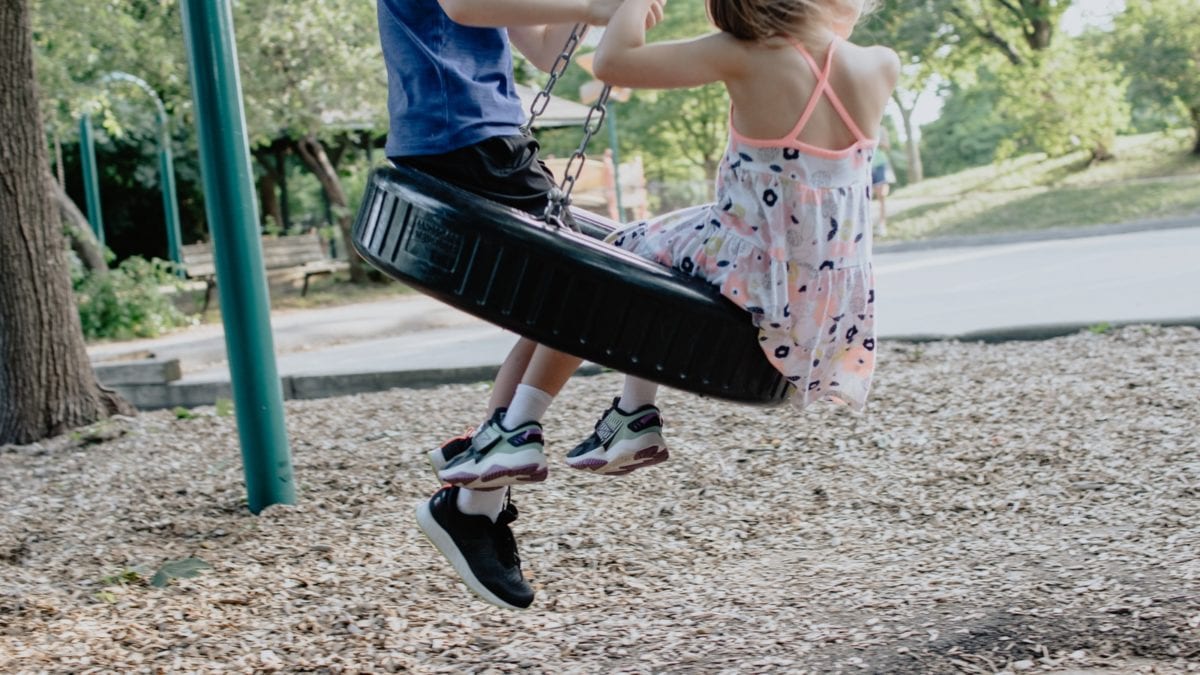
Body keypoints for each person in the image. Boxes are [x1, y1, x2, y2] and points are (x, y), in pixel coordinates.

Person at [429, 0, 900, 608]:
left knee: (612, 264)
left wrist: (627, 5)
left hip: (750, 264)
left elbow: (613, 63)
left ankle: (518, 422)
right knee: (663, 261)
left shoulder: (744, 54)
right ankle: (631, 414)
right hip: (822, 300)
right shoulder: (879, 64)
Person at [379, 0, 665, 611]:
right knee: (600, 279)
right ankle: (479, 489)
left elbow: (541, 45)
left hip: (481, 139)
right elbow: (466, 5)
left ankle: (479, 492)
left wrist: (620, 16)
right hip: (463, 139)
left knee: (562, 298)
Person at [871, 126, 896, 236]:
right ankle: (868, 225)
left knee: (882, 196)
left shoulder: (881, 129)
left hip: (880, 164)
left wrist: (875, 140)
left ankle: (882, 224)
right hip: (865, 165)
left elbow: (887, 146)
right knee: (866, 198)